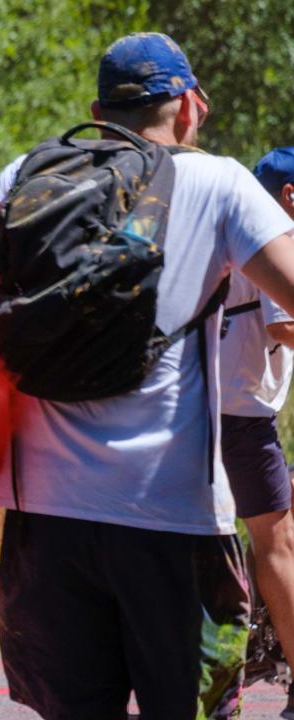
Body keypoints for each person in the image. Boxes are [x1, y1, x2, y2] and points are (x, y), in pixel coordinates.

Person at [0, 33, 294, 720]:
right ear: (187, 107)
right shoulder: (220, 181)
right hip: (172, 517)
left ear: (97, 109)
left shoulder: (26, 172)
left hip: (43, 520)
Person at [220, 146, 294, 715]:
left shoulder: (234, 235)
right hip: (242, 416)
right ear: (289, 196)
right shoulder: (274, 241)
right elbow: (286, 325)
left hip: (218, 410)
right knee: (277, 545)